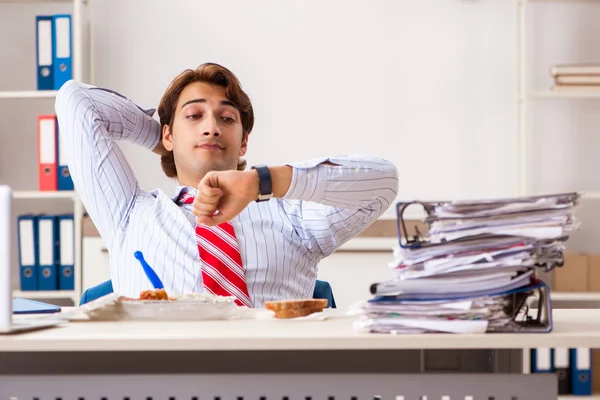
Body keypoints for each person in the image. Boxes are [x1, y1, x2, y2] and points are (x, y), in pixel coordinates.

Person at [55, 62, 399, 307]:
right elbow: (77, 102)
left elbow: (383, 182)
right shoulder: (129, 214)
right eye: (194, 116)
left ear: (243, 143)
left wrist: (261, 182)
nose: (211, 127)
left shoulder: (293, 218)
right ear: (169, 134)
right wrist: (166, 142)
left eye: (226, 118)